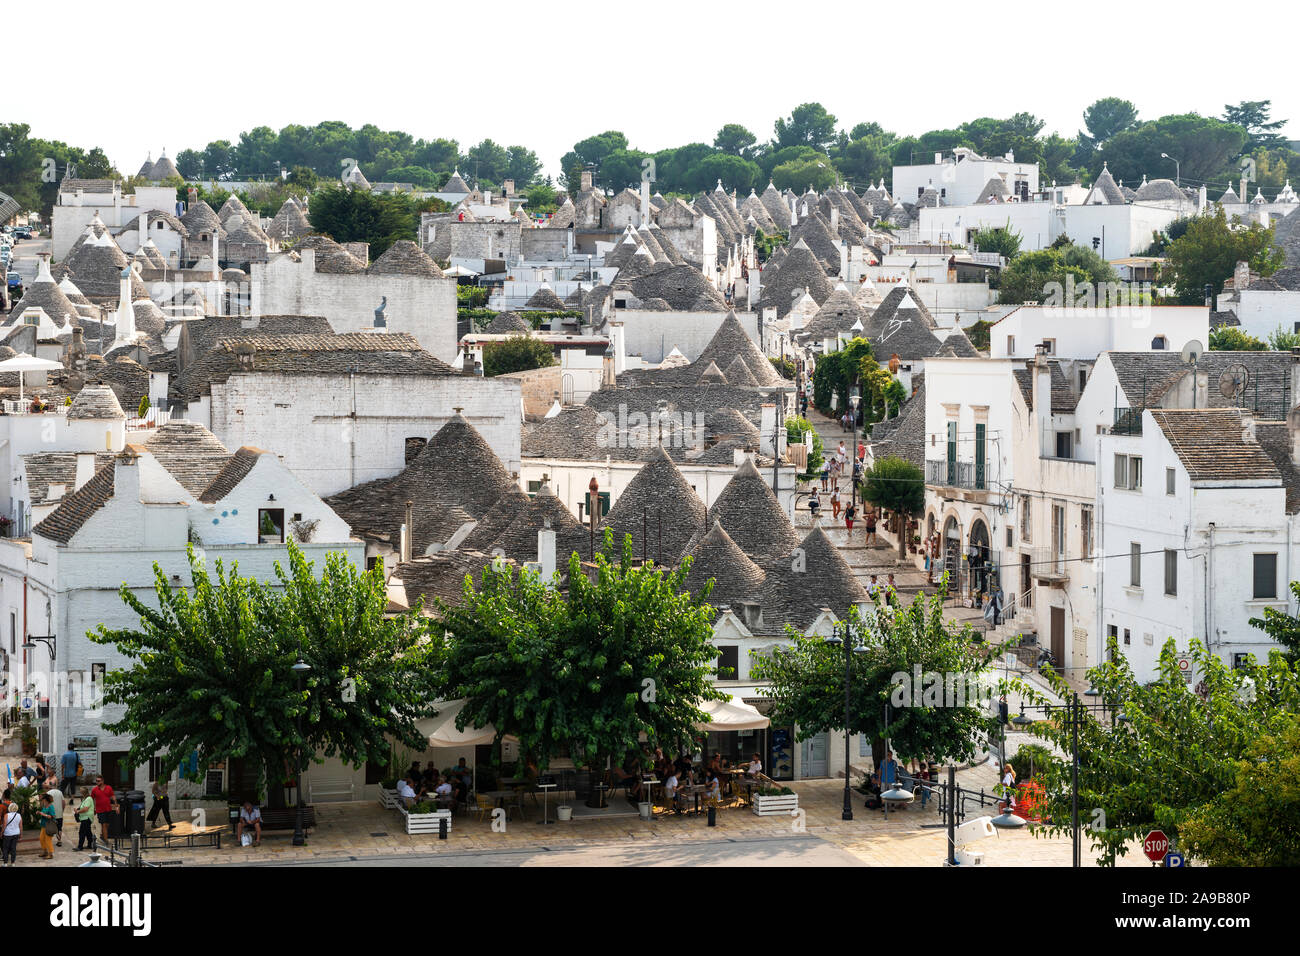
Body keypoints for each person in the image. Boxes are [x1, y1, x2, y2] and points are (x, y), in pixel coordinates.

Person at [90, 775, 115, 841]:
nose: (97, 782)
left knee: (107, 825)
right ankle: (106, 840)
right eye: (96, 781)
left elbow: (113, 796)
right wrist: (93, 809)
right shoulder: (94, 789)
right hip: (100, 810)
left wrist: (116, 806)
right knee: (103, 824)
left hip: (108, 809)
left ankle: (103, 835)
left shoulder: (109, 788)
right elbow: (91, 799)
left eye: (98, 781)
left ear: (102, 781)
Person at [44, 779, 65, 847]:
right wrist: (62, 810)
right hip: (59, 813)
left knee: (50, 827)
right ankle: (59, 840)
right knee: (59, 827)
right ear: (56, 785)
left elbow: (46, 804)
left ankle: (49, 841)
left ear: (50, 785)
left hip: (51, 813)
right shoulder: (60, 792)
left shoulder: (48, 793)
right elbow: (63, 802)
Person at [36, 793, 57, 859]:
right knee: (41, 839)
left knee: (48, 840)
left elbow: (52, 816)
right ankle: (45, 852)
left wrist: (43, 814)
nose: (43, 801)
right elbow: (43, 813)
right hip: (43, 825)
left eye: (44, 800)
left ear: (47, 801)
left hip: (48, 826)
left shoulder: (51, 807)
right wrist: (39, 812)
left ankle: (50, 854)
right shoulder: (45, 807)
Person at [74, 787, 95, 851]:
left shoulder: (88, 799)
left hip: (86, 818)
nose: (80, 793)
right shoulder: (85, 799)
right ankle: (90, 845)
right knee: (88, 832)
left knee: (82, 832)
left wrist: (78, 811)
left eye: (81, 791)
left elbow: (86, 809)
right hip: (85, 818)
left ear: (83, 792)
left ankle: (80, 847)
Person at [2, 798, 20, 866]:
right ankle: (13, 863)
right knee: (13, 848)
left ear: (9, 808)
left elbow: (4, 826)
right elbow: (20, 826)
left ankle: (5, 863)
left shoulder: (6, 815)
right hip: (16, 834)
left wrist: (1, 833)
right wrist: (21, 834)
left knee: (5, 848)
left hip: (7, 834)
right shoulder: (19, 815)